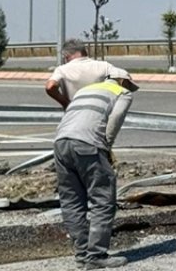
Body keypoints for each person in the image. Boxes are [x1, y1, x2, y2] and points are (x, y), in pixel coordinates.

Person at [53, 66, 139, 269]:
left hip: (60, 143)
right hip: (88, 145)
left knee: (72, 201)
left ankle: (82, 254)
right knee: (103, 199)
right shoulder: (122, 92)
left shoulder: (85, 90)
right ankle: (96, 256)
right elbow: (115, 119)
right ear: (123, 81)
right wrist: (106, 147)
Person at [46, 39, 119, 110]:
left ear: (66, 56)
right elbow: (125, 81)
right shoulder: (104, 66)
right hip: (100, 113)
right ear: (85, 52)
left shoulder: (62, 70)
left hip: (74, 113)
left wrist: (66, 103)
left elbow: (50, 87)